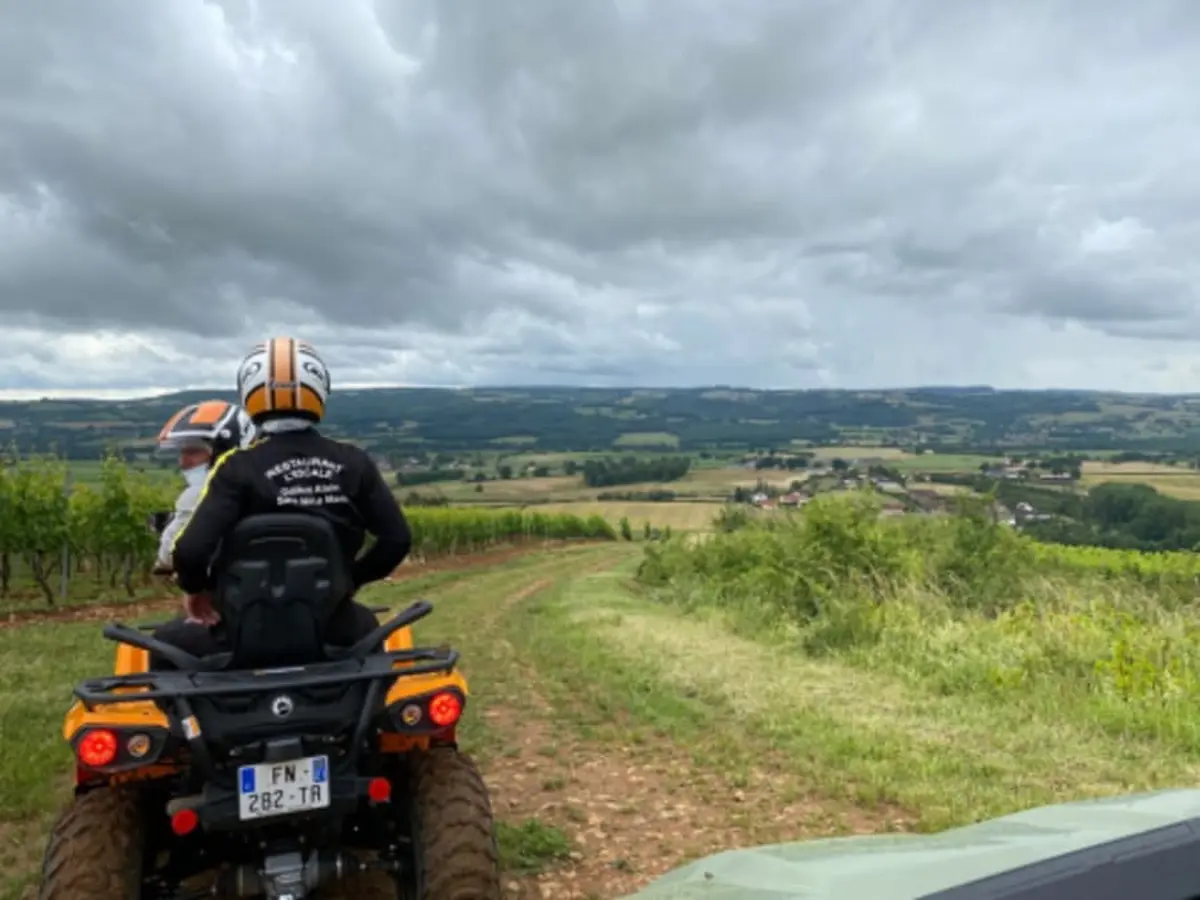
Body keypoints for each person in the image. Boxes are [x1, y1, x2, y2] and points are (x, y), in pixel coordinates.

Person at [150, 337, 413, 667]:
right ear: (320, 389)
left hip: (238, 628)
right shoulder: (354, 462)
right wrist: (349, 580)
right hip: (333, 625)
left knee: (164, 647)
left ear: (248, 392)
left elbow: (189, 550)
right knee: (371, 644)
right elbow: (397, 540)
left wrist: (196, 590)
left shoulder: (235, 467)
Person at [151, 399, 256, 574]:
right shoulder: (267, 486)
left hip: (232, 592)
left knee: (195, 596)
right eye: (182, 453)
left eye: (193, 452)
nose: (183, 462)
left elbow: (169, 557)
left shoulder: (199, 495)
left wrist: (170, 529)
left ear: (224, 451)